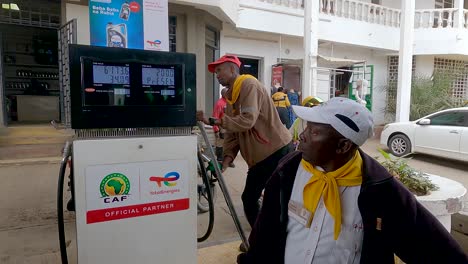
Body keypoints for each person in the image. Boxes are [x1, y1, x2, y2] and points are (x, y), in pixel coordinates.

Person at [238, 97, 468, 264]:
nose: (304, 135)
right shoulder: (287, 171)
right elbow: (265, 233)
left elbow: (436, 249)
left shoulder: (381, 189)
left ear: (343, 145)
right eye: (307, 127)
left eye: (315, 131)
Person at [197, 54, 292, 232]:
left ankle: (262, 243)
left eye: (220, 70)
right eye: (215, 72)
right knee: (262, 198)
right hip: (261, 157)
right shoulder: (232, 98)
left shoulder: (249, 84)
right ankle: (264, 239)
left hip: (275, 151)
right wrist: (225, 161)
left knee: (254, 198)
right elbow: (233, 133)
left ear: (233, 69)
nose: (216, 75)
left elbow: (247, 120)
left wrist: (212, 121)